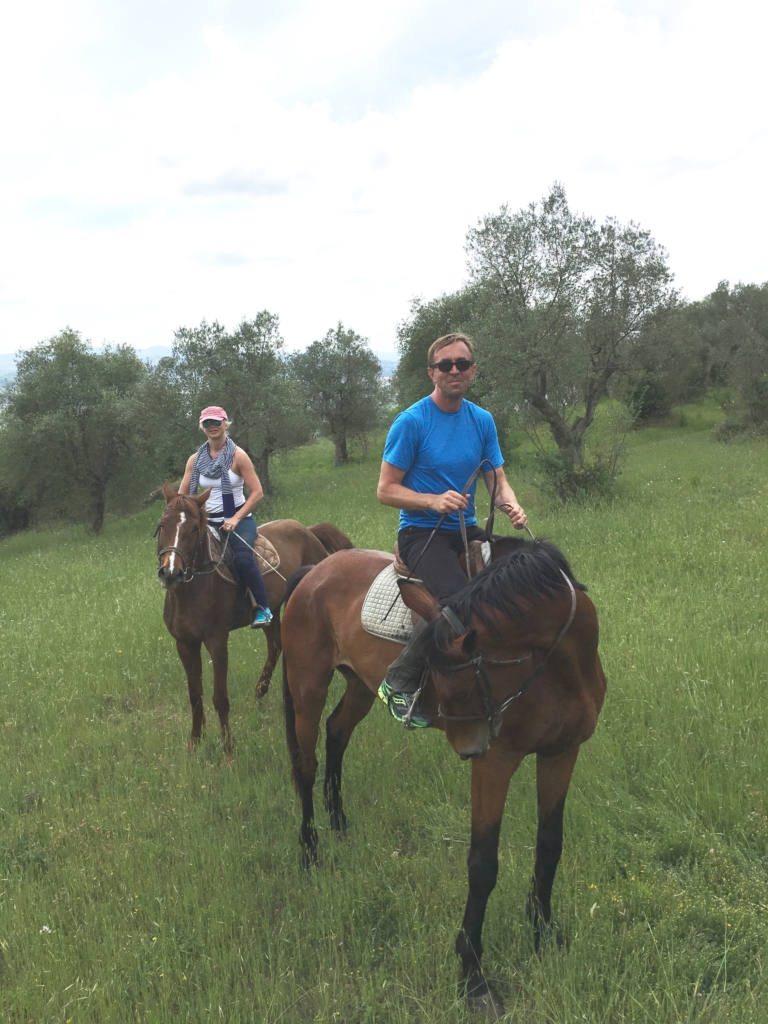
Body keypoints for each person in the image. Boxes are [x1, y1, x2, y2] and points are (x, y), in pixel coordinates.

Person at [376, 333, 528, 726]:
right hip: (422, 534)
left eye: (462, 364)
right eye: (446, 365)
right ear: (432, 373)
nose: (454, 370)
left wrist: (509, 502)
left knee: (521, 574)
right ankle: (399, 679)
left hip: (468, 528)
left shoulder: (482, 420)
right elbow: (385, 490)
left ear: (473, 370)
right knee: (461, 601)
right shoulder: (412, 422)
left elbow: (495, 477)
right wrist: (433, 500)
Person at [179, 406, 272, 627]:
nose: (212, 426)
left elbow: (257, 492)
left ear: (225, 424)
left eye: (216, 422)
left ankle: (263, 608)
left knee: (242, 559)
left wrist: (236, 518)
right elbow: (182, 495)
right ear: (202, 427)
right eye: (207, 423)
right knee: (184, 559)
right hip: (206, 521)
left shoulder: (238, 456)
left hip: (238, 519)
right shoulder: (195, 460)